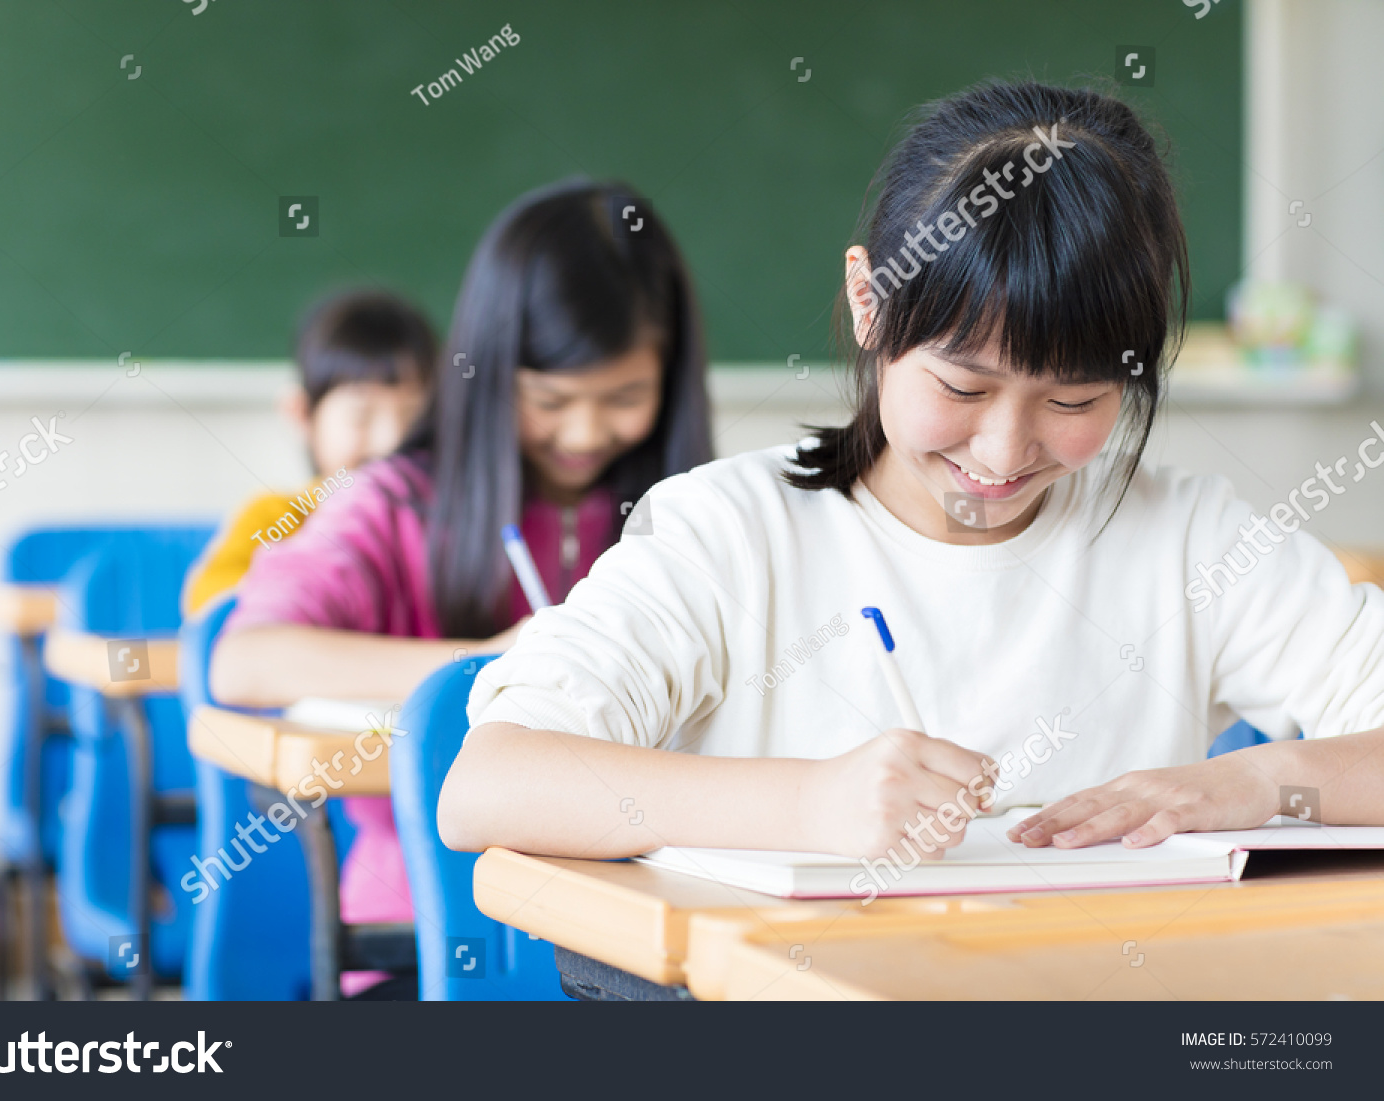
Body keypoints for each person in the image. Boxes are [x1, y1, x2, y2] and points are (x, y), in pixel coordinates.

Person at [439, 80, 1384, 868]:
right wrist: (810, 804)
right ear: (869, 300)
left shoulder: (1190, 542)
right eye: (963, 386)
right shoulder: (730, 534)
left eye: (1073, 402)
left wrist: (1257, 779)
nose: (1006, 452)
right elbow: (488, 787)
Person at [210, 178, 713, 995]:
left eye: (625, 397)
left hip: (649, 933)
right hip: (425, 933)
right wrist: (486, 659)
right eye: (551, 400)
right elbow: (246, 660)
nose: (586, 433)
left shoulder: (696, 516)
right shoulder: (393, 502)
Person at [181, 289, 436, 616]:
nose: (391, 441)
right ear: (302, 413)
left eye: (414, 416)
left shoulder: (440, 522)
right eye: (361, 416)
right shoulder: (278, 517)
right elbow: (209, 601)